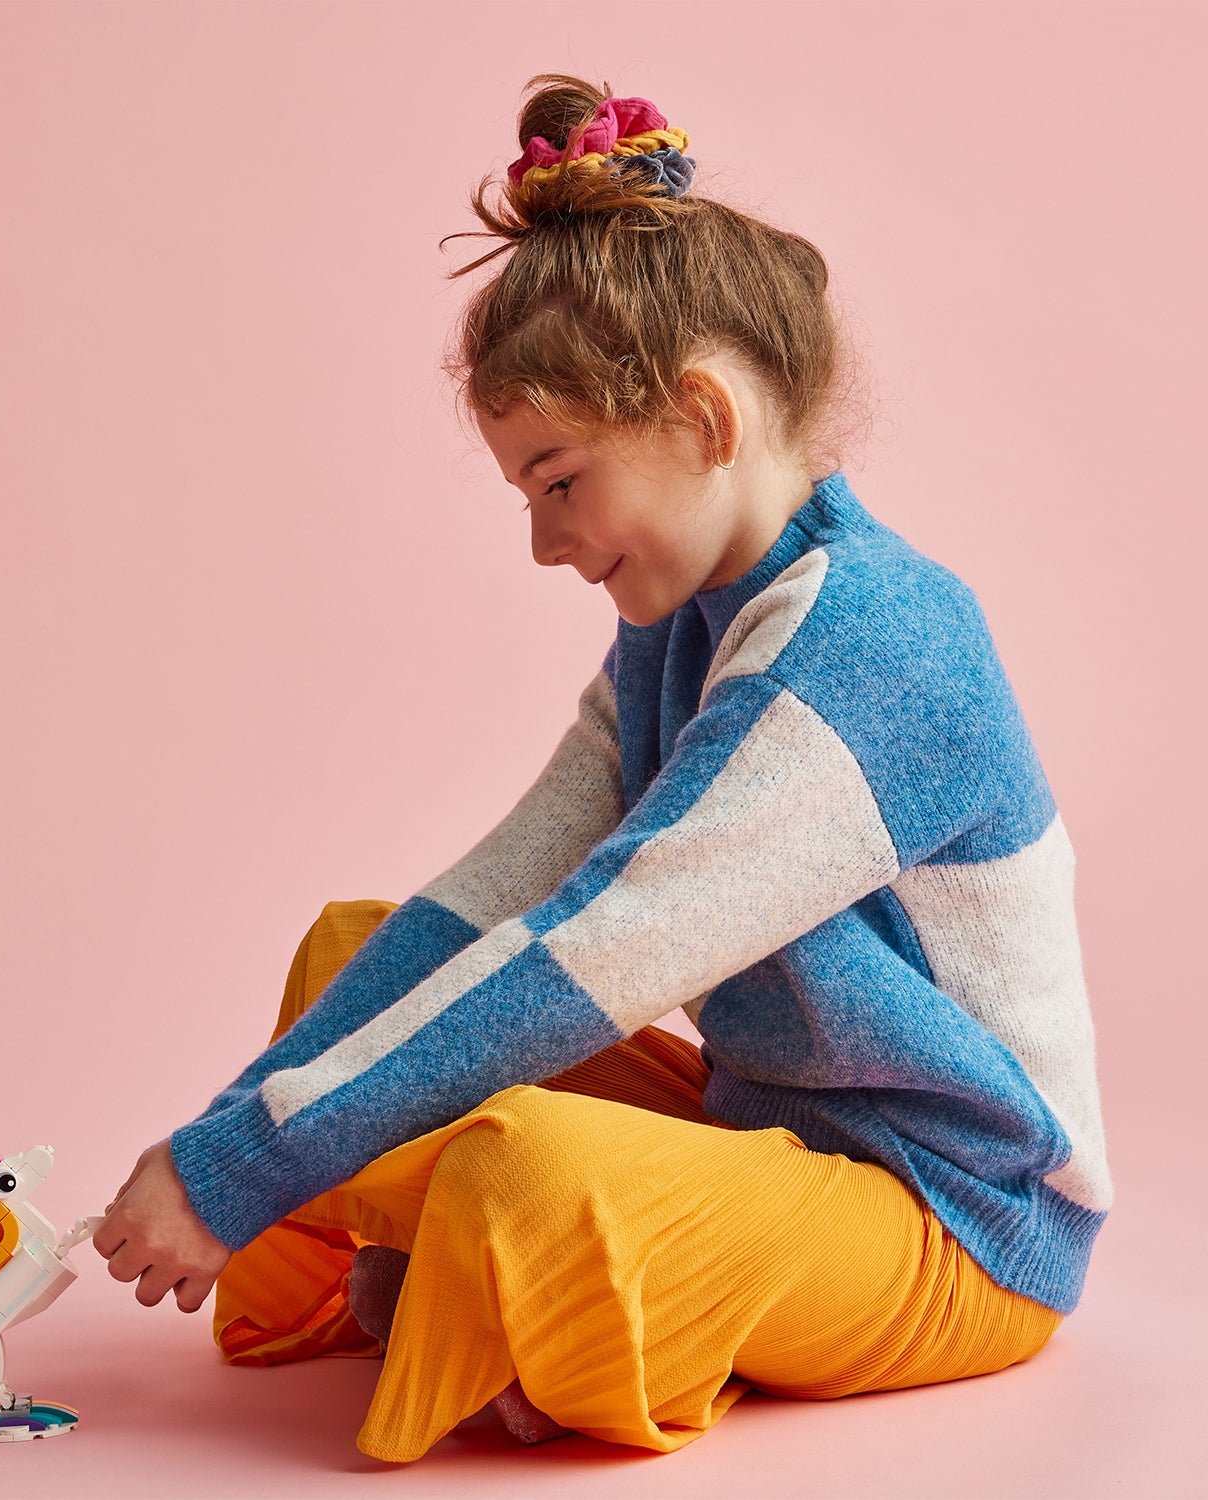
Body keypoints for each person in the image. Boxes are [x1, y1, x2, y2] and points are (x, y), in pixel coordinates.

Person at [92, 74, 1112, 1465]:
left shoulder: (878, 642)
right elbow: (500, 896)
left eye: (560, 481)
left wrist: (236, 1167)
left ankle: (512, 1296)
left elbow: (601, 949)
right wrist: (218, 1146)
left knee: (534, 1166)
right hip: (761, 1133)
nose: (545, 543)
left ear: (703, 417)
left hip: (953, 1218)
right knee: (358, 951)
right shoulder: (680, 630)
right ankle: (445, 1294)